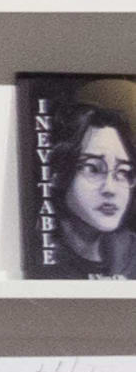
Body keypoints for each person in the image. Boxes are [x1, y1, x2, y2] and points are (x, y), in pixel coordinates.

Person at [51, 92, 136, 280]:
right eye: (93, 169)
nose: (110, 189)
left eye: (122, 172)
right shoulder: (46, 258)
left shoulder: (131, 255)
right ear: (58, 174)